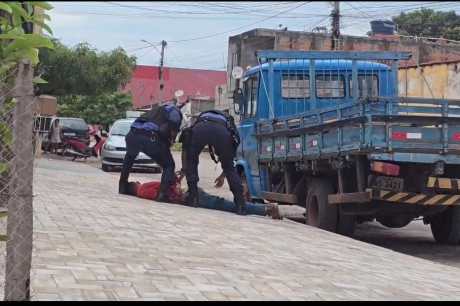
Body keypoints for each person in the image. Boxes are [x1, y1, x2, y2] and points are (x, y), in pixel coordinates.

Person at [178, 109, 247, 215]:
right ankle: (241, 205)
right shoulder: (228, 120)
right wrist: (225, 171)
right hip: (221, 132)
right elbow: (232, 154)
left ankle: (193, 197)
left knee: (192, 160)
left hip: (201, 128)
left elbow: (186, 149)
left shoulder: (202, 116)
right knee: (229, 168)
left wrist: (184, 169)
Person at [123, 175, 281, 219]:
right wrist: (175, 186)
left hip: (190, 195)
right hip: (189, 196)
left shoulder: (143, 191)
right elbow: (164, 192)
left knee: (227, 206)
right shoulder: (143, 190)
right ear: (135, 184)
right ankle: (266, 209)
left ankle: (265, 209)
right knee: (228, 206)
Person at [118, 103, 183, 202]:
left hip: (132, 135)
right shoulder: (175, 112)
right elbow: (173, 125)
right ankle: (162, 194)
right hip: (150, 138)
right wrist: (172, 139)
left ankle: (122, 186)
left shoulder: (155, 110)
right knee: (169, 165)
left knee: (129, 157)